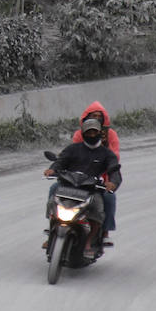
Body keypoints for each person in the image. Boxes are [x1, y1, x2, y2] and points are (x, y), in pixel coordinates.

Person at [45, 116, 121, 259]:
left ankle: (90, 241)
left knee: (98, 208)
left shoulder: (107, 154)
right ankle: (51, 229)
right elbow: (60, 161)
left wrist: (113, 183)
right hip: (69, 185)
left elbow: (114, 170)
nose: (91, 135)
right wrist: (52, 170)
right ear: (83, 133)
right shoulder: (73, 149)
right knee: (54, 189)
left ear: (100, 133)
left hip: (92, 190)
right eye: (88, 132)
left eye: (94, 132)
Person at [71, 101, 118, 245]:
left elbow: (114, 160)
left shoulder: (110, 136)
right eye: (93, 116)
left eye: (99, 116)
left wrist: (110, 181)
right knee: (56, 190)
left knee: (109, 198)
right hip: (78, 178)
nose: (96, 119)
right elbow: (69, 156)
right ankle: (53, 229)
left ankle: (105, 232)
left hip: (99, 180)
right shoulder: (78, 135)